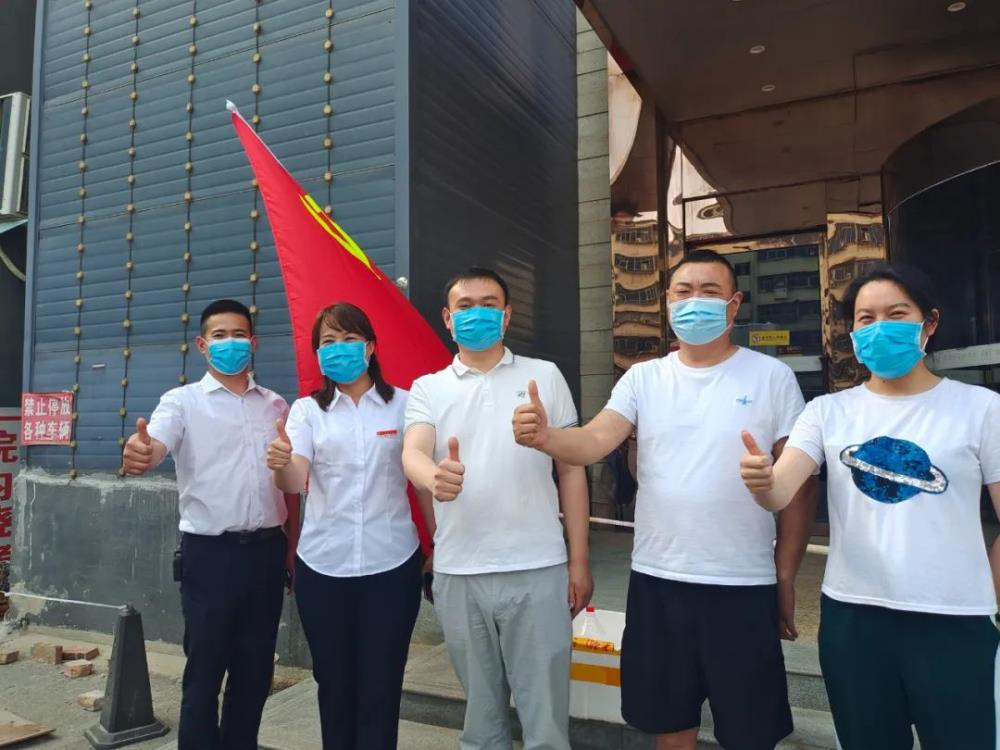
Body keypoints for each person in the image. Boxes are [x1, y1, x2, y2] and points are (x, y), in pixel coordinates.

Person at [513, 249, 816, 750]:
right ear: (668, 302)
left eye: (710, 292)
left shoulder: (771, 377)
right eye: (684, 292)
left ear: (734, 304)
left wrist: (785, 576)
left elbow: (800, 485)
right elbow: (593, 441)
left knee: (751, 731)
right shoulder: (643, 377)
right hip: (659, 581)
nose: (695, 302)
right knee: (670, 725)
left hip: (742, 583)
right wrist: (547, 437)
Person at [740, 263, 1000, 750]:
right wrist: (762, 481)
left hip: (955, 621)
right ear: (853, 332)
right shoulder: (827, 412)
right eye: (865, 318)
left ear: (929, 323)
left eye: (896, 314)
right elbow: (780, 490)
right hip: (854, 619)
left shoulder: (982, 408)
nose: (879, 327)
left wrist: (988, 592)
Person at [401, 267, 593, 750]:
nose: (477, 313)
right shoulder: (428, 387)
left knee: (546, 720)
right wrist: (433, 476)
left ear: (507, 316)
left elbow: (572, 470)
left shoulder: (543, 376)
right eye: (465, 306)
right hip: (460, 571)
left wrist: (579, 560)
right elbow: (413, 452)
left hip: (537, 566)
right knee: (481, 720)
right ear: (447, 318)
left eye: (489, 304)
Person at [121, 299, 294, 750]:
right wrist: (143, 451)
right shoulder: (182, 402)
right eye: (219, 336)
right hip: (210, 556)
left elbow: (289, 479)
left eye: (239, 334)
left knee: (255, 669)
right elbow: (156, 442)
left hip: (267, 553)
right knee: (205, 670)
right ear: (202, 345)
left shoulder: (276, 405)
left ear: (253, 343)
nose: (229, 343)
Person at [266, 302, 422, 750]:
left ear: (370, 347)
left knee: (382, 685)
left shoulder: (405, 405)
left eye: (349, 339)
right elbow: (295, 478)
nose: (339, 349)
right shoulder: (307, 412)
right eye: (328, 342)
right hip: (324, 568)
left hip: (392, 566)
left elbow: (421, 480)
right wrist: (280, 464)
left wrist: (435, 545)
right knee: (333, 684)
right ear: (318, 354)